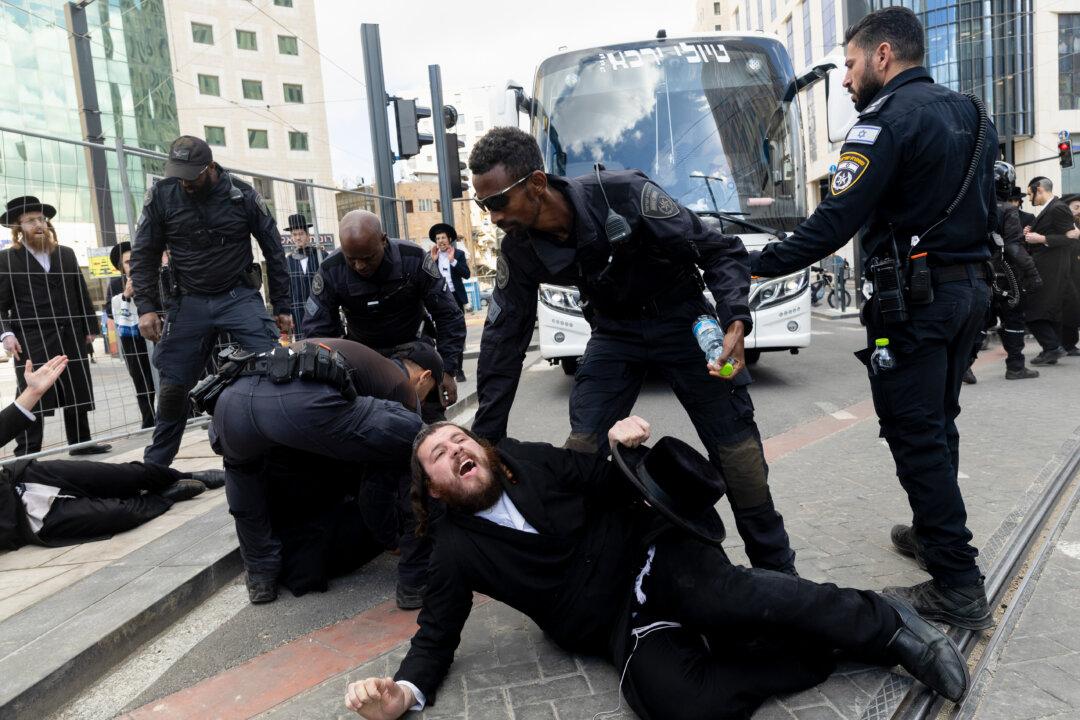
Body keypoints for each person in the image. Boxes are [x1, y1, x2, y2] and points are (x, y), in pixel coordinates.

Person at [343, 418, 969, 720]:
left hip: (654, 555)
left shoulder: (531, 461)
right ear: (432, 487)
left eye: (460, 442)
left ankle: (886, 624)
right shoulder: (453, 551)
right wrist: (402, 694)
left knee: (723, 595)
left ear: (483, 449)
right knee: (676, 705)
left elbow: (612, 480)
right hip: (619, 625)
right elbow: (437, 632)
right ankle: (823, 646)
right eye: (439, 456)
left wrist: (625, 445)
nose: (456, 452)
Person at [749, 7, 997, 628]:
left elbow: (836, 220)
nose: (846, 79)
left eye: (851, 64)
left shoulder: (883, 123)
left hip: (914, 302)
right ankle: (931, 532)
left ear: (883, 55)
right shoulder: (973, 112)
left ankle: (957, 582)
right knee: (938, 420)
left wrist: (761, 263)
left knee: (915, 434)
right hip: (969, 293)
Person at [467, 126, 796, 574]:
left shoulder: (627, 195)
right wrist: (484, 441)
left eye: (498, 201)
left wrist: (735, 320)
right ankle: (587, 570)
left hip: (683, 321)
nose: (491, 216)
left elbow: (719, 252)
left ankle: (779, 575)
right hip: (614, 334)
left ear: (537, 184)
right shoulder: (520, 250)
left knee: (739, 458)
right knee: (581, 452)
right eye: (482, 205)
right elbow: (504, 342)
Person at [207, 338, 439, 605]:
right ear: (423, 377)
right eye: (429, 393)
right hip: (298, 402)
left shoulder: (353, 354)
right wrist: (389, 538)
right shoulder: (400, 385)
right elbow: (377, 484)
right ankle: (415, 582)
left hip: (231, 402)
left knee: (242, 476)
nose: (425, 401)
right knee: (419, 440)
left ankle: (261, 576)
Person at [129, 135, 293, 468]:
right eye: (179, 174)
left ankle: (285, 449)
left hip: (238, 296)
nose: (185, 182)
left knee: (276, 365)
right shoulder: (162, 196)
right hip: (188, 302)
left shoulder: (241, 194)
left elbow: (274, 250)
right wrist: (145, 307)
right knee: (173, 386)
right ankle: (155, 467)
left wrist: (283, 306)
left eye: (192, 174)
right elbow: (144, 254)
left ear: (211, 167)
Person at [0, 355, 224, 551]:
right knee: (118, 514)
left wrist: (33, 392)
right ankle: (163, 496)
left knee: (125, 475)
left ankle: (184, 476)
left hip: (23, 478)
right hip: (24, 520)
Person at [301, 211, 466, 420]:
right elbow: (318, 330)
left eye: (367, 258)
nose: (360, 266)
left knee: (430, 425)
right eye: (352, 259)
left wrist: (448, 370)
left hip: (414, 351)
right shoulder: (331, 269)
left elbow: (448, 315)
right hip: (363, 357)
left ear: (383, 240)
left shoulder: (413, 258)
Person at [0, 196, 111, 457]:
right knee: (33, 391)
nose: (38, 224)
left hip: (70, 332)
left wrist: (89, 326)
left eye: (41, 219)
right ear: (18, 228)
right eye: (30, 221)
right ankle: (28, 450)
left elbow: (80, 292)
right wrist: (6, 333)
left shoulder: (66, 254)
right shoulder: (6, 259)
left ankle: (81, 443)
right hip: (32, 336)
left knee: (77, 386)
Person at [985, 162, 1041, 380]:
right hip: (1006, 275)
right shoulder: (1008, 210)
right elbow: (1014, 247)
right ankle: (1016, 366)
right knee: (1014, 319)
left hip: (979, 272)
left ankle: (965, 367)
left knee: (981, 320)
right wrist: (1033, 273)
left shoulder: (974, 207)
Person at [1022, 177, 1077, 365]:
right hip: (1047, 266)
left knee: (1032, 308)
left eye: (1030, 194)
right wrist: (1031, 233)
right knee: (1047, 309)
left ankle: (1052, 347)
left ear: (1039, 190)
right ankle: (1052, 348)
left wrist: (1041, 238)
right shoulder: (1050, 209)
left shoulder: (1058, 207)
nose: (1029, 199)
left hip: (1051, 268)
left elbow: (1070, 239)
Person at [104, 241, 156, 428]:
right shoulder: (116, 283)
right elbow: (109, 310)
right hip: (132, 338)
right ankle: (149, 419)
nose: (132, 265)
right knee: (141, 377)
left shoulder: (153, 277)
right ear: (121, 267)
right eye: (127, 262)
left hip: (155, 332)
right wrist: (125, 296)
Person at [428, 223, 470, 383]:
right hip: (440, 299)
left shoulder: (458, 254)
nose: (440, 241)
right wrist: (432, 262)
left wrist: (452, 261)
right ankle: (443, 369)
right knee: (440, 334)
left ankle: (458, 369)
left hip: (455, 298)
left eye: (443, 238)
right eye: (438, 238)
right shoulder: (431, 256)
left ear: (449, 239)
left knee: (457, 333)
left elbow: (466, 274)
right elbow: (427, 278)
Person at [284, 213, 324, 337]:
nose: (298, 238)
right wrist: (287, 313)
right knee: (303, 349)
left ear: (308, 235)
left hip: (320, 310)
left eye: (301, 234)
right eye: (294, 235)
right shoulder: (288, 261)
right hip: (298, 313)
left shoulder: (321, 256)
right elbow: (286, 290)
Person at [1053, 193, 1080, 356]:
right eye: (1076, 208)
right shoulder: (1060, 225)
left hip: (1077, 272)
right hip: (1064, 271)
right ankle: (1065, 344)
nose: (1078, 212)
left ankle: (1070, 343)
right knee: (1067, 307)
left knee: (1074, 307)